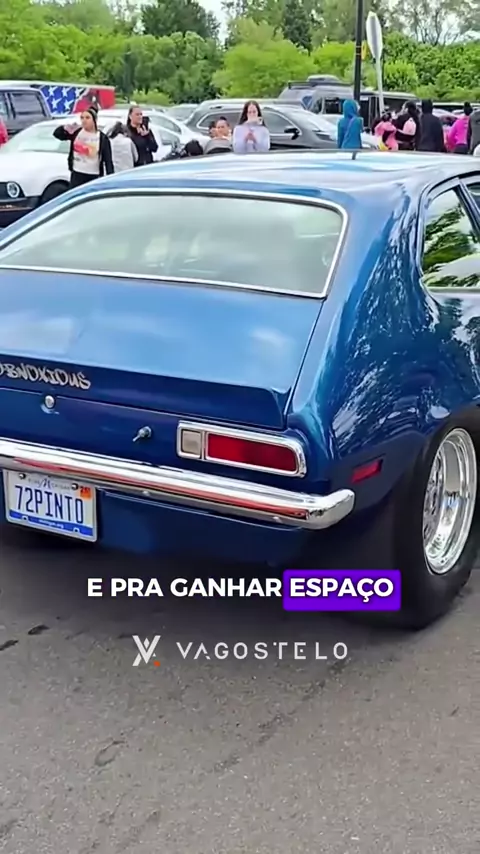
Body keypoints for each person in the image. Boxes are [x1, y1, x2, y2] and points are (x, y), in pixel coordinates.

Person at [53, 106, 113, 188]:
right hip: (77, 172)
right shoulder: (77, 132)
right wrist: (65, 128)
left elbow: (108, 160)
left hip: (93, 174)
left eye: (87, 118)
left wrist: (110, 178)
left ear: (94, 120)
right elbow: (57, 134)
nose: (84, 120)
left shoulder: (102, 138)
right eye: (82, 118)